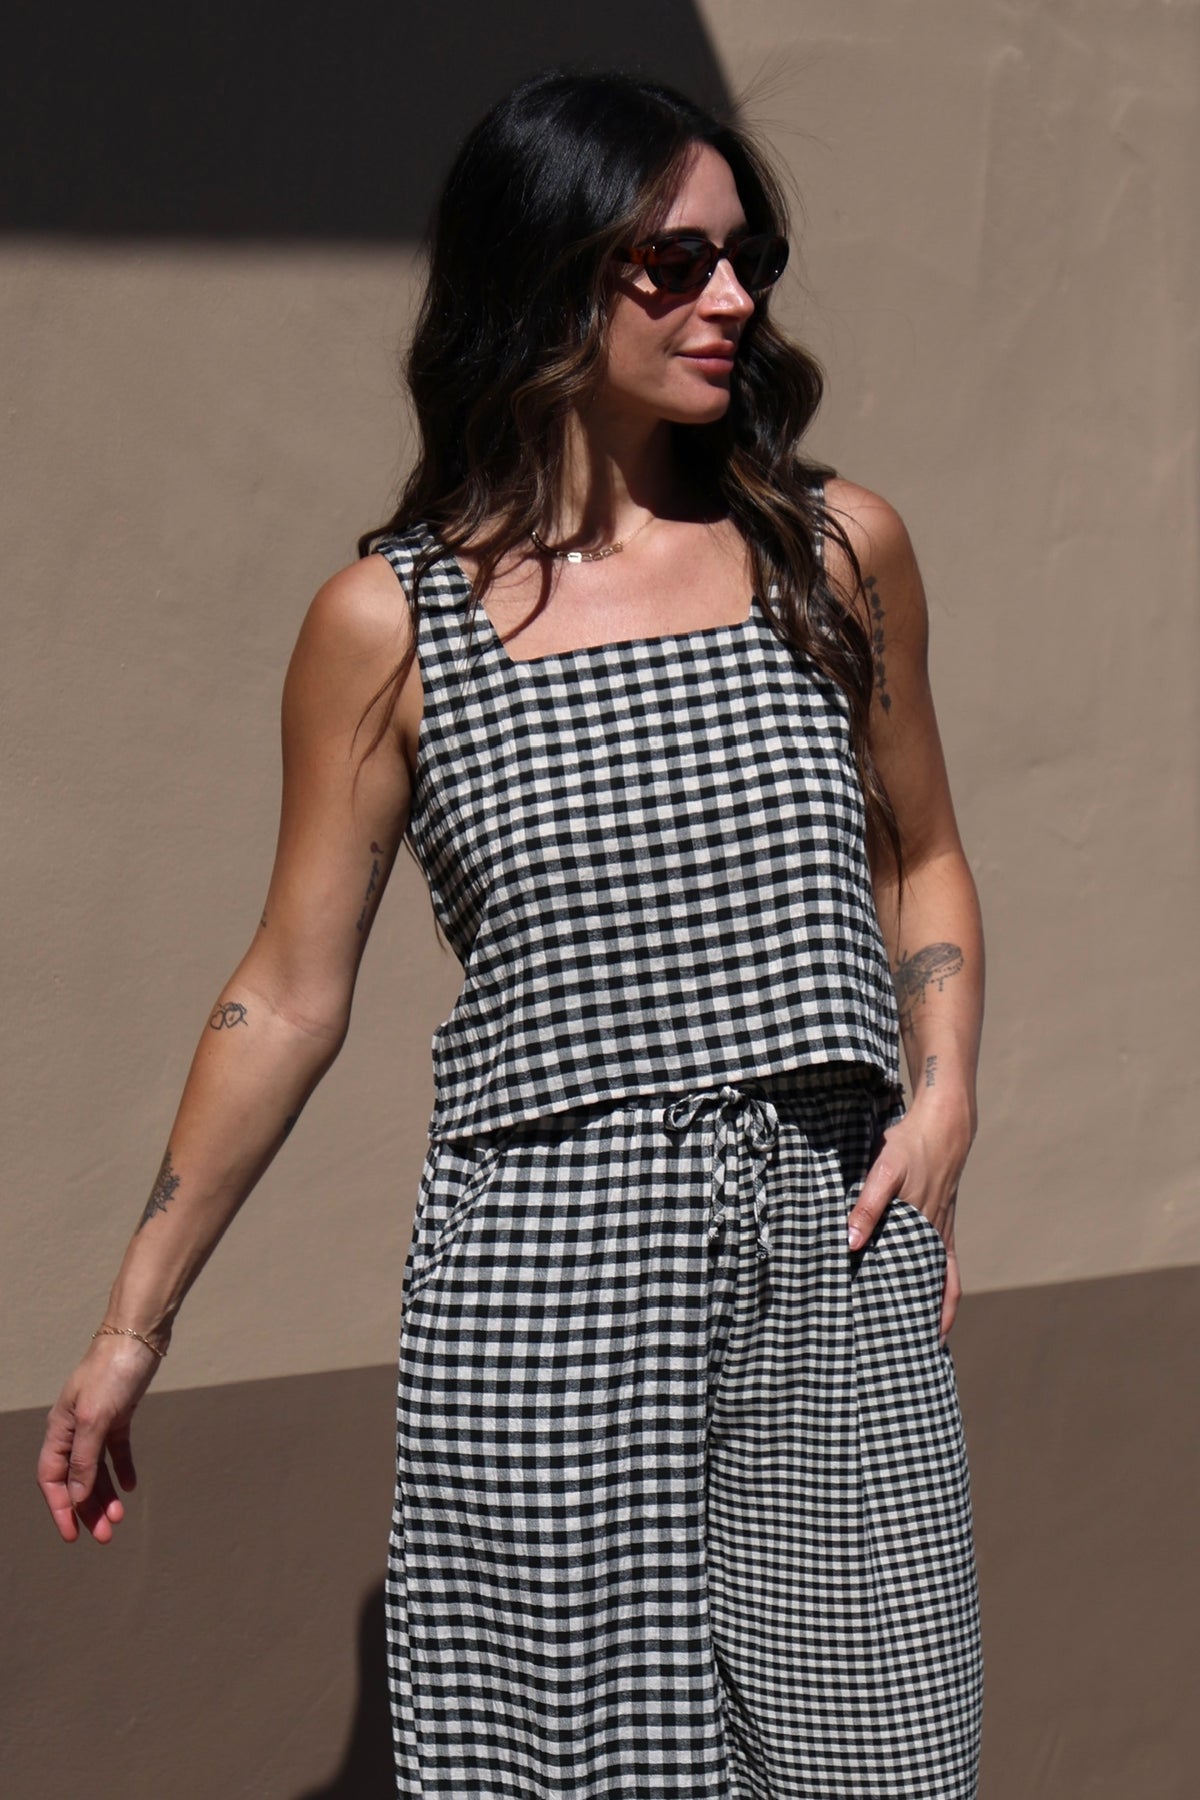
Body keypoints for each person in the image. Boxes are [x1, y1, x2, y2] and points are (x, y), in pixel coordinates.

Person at [38, 68, 985, 1799]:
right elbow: (286, 995)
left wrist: (942, 1100)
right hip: (552, 1272)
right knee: (580, 1766)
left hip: (828, 1248)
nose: (732, 298)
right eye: (675, 263)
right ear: (547, 273)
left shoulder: (833, 554)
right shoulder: (391, 626)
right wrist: (130, 1329)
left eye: (749, 257)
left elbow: (920, 856)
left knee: (879, 1747)